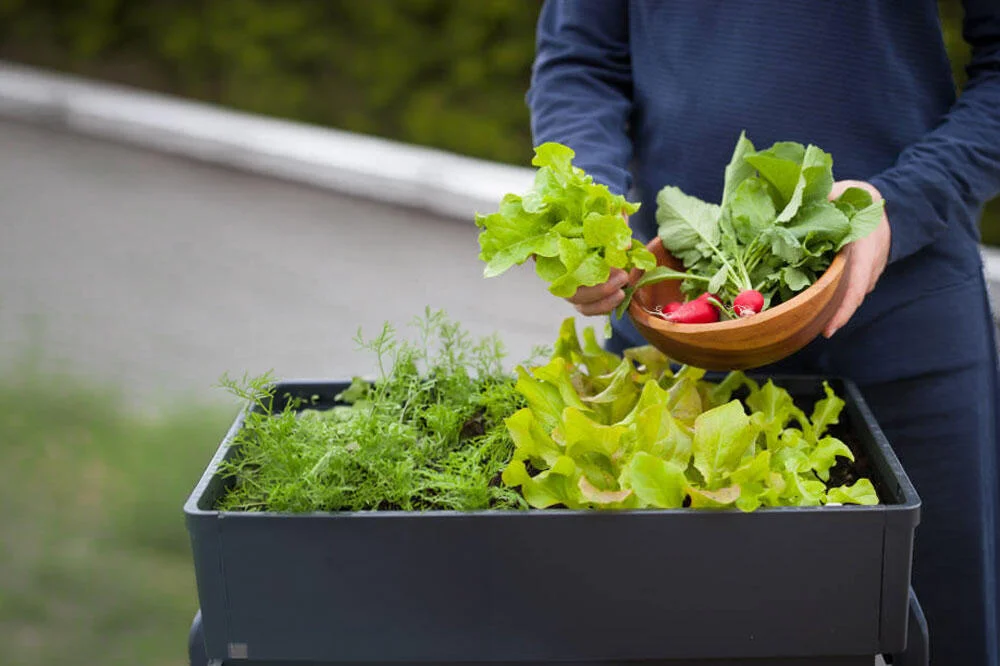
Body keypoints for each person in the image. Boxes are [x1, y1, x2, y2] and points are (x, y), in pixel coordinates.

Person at [526, 1, 1000, 664]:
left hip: (908, 332)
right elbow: (581, 61)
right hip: (683, 331)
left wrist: (909, 200)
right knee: (668, 635)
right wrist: (587, 208)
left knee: (946, 637)